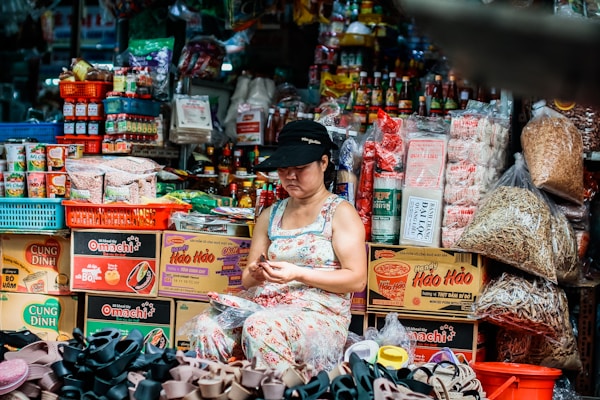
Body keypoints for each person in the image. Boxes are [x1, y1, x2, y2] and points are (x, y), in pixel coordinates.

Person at [186, 120, 367, 375]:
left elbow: (356, 279)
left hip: (319, 315)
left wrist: (298, 274)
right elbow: (248, 279)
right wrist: (258, 273)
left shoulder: (340, 213)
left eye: (300, 168)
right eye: (284, 169)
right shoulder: (271, 215)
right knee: (209, 324)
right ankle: (223, 390)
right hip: (265, 306)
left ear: (323, 163)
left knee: (260, 327)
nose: (290, 176)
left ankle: (283, 391)